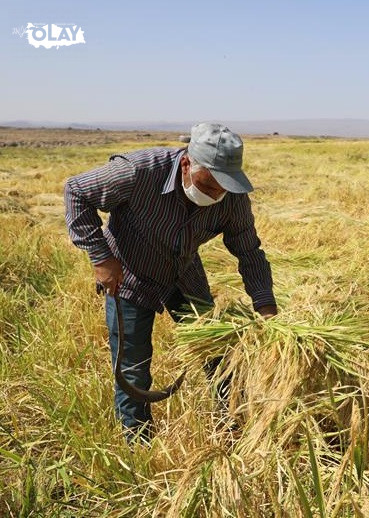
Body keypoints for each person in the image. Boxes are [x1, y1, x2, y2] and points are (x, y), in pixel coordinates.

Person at [64, 123, 277, 443]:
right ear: (188, 164)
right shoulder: (139, 172)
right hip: (129, 275)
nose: (217, 192)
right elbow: (77, 190)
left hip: (184, 274)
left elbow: (249, 251)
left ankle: (230, 428)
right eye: (211, 183)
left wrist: (265, 305)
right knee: (132, 366)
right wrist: (101, 258)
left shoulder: (231, 197)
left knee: (218, 353)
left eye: (225, 185)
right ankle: (137, 442)